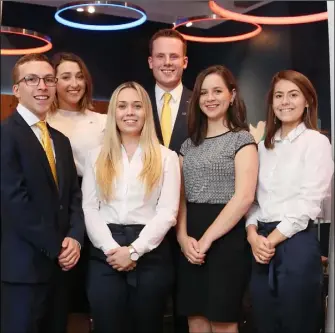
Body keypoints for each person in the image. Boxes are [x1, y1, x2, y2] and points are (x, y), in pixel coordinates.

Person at [82, 81, 181, 333]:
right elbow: (90, 209)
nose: (130, 112)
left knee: (148, 326)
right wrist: (113, 250)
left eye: (137, 106)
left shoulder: (166, 157)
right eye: (123, 106)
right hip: (105, 252)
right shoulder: (96, 156)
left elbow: (168, 212)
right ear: (113, 112)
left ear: (146, 112)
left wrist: (134, 251)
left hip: (150, 253)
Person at [1, 53, 85, 333]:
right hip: (23, 271)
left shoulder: (60, 141)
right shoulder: (5, 135)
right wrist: (57, 246)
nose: (42, 86)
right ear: (16, 89)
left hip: (60, 272)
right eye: (32, 79)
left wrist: (74, 236)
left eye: (49, 79)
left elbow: (74, 195)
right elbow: (14, 202)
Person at [246, 70, 334, 333]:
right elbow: (252, 201)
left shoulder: (316, 142)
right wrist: (252, 235)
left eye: (293, 95)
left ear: (307, 100)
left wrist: (271, 239)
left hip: (296, 244)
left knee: (298, 323)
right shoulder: (262, 147)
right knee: (263, 323)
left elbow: (309, 204)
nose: (285, 102)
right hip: (260, 246)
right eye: (279, 96)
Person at [176, 65, 258, 333]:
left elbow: (244, 197)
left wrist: (208, 239)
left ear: (232, 95)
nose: (210, 98)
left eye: (217, 91)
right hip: (190, 240)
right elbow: (180, 199)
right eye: (204, 93)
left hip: (226, 240)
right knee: (196, 320)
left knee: (222, 321)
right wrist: (182, 238)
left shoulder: (242, 140)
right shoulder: (188, 146)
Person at [47, 52, 106, 317]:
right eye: (66, 77)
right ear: (53, 82)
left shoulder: (102, 122)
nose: (74, 83)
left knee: (89, 297)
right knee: (57, 298)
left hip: (95, 207)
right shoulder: (42, 121)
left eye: (80, 76)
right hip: (53, 209)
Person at [148, 28, 192, 333]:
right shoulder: (132, 102)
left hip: (190, 222)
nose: (167, 62)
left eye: (173, 56)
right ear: (150, 61)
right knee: (145, 311)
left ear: (185, 62)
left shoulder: (203, 104)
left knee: (186, 309)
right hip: (140, 221)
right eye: (160, 56)